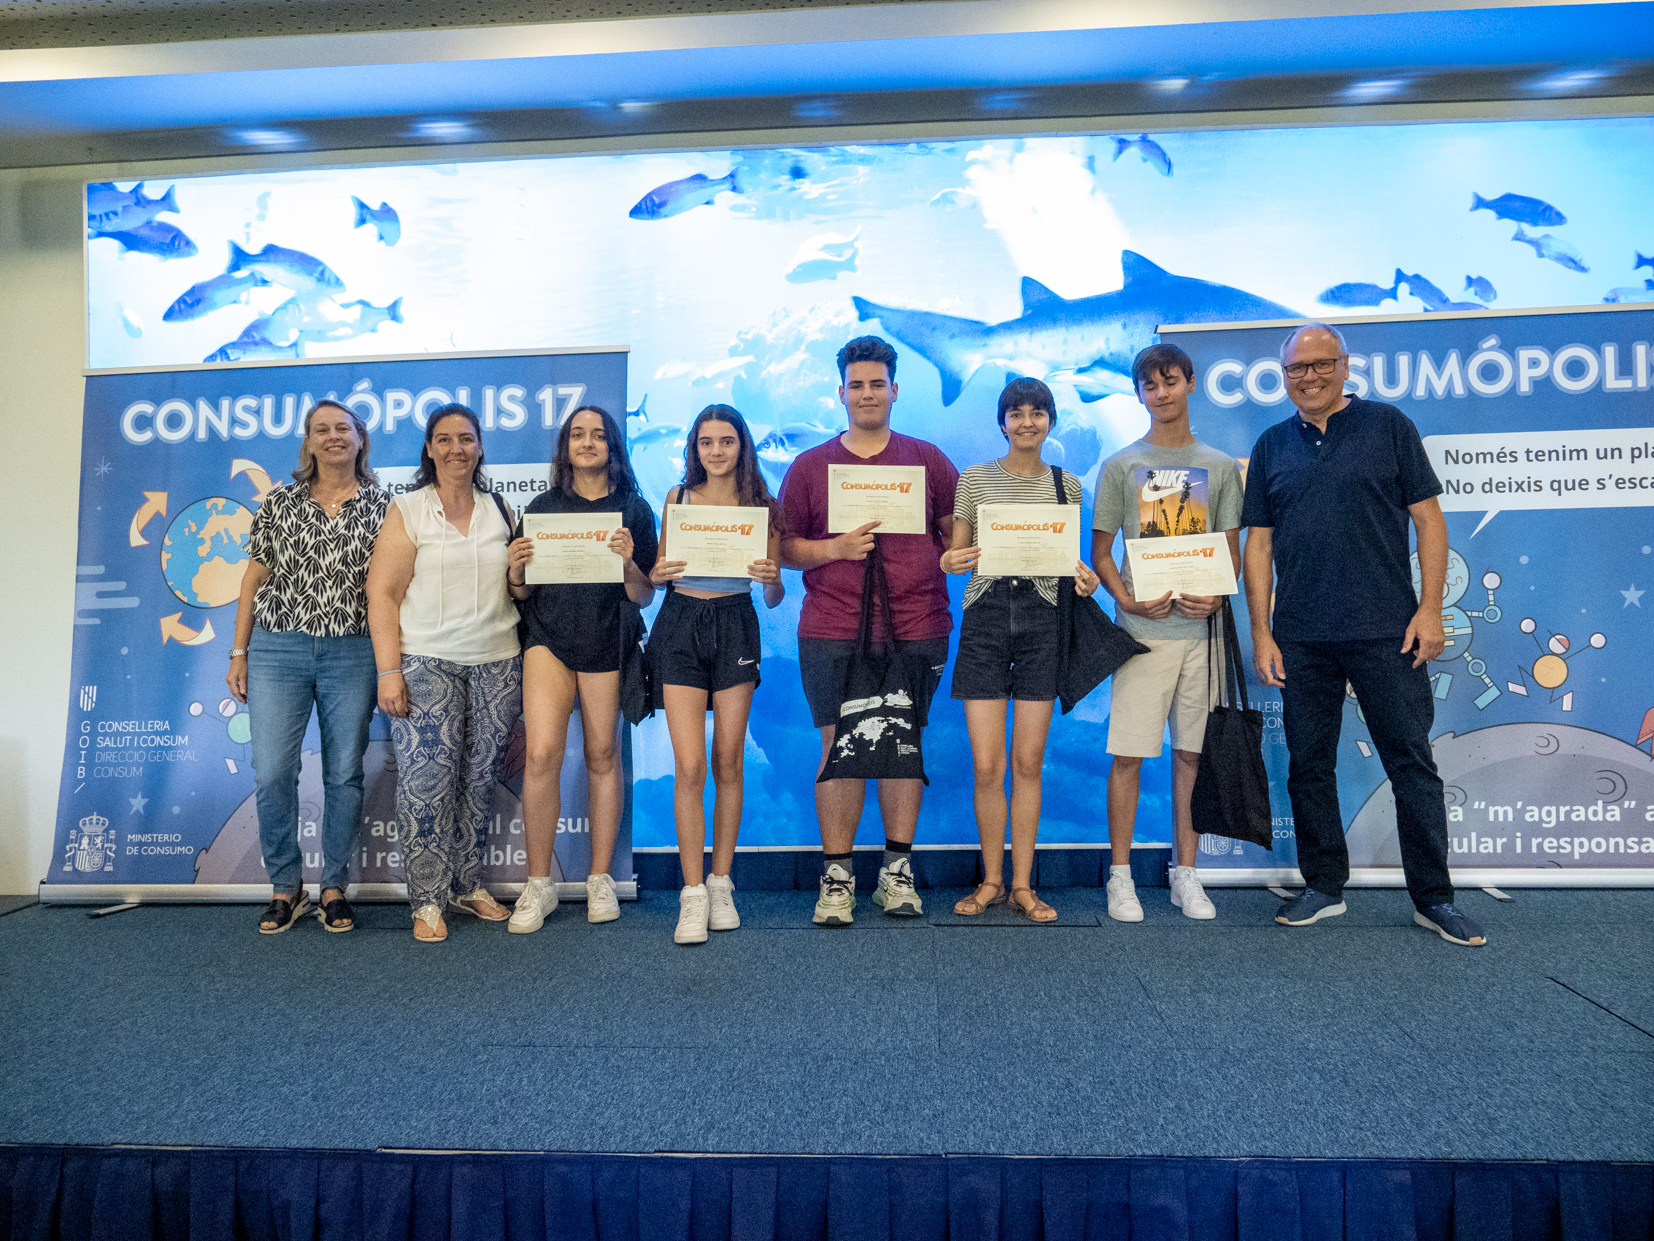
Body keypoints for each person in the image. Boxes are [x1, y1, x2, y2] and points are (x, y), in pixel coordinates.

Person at [1241, 324, 1486, 946]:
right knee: (1308, 766)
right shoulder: (1271, 444)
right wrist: (1262, 632)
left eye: (1321, 364)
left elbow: (1429, 520)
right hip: (1300, 638)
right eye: (1297, 369)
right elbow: (1258, 545)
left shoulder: (1389, 426)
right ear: (1284, 377)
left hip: (1388, 632)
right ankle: (1323, 886)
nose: (1309, 377)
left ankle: (1434, 898)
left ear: (1345, 366)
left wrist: (1430, 610)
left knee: (1412, 765)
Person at [779, 335, 959, 926]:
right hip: (831, 626)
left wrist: (962, 551)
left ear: (894, 390)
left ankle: (896, 874)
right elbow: (782, 547)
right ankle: (837, 878)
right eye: (856, 385)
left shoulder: (927, 459)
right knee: (839, 748)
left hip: (918, 623)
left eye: (877, 384)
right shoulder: (810, 467)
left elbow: (954, 530)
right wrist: (834, 549)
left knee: (904, 744)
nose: (867, 394)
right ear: (841, 393)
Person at [1091, 343, 1243, 924]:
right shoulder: (1121, 466)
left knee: (1191, 756)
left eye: (1170, 381)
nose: (1161, 393)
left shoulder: (1219, 466)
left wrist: (1219, 592)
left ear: (1190, 383)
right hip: (1141, 634)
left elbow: (1231, 549)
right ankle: (1120, 875)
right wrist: (1126, 598)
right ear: (1138, 394)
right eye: (1150, 386)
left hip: (1202, 637)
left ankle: (1186, 873)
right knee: (1128, 756)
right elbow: (1100, 553)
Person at [941, 378, 1100, 923]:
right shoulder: (974, 479)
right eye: (1016, 413)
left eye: (1037, 412)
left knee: (1029, 762)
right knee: (987, 765)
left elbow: (1066, 559)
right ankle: (991, 880)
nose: (1027, 422)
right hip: (985, 618)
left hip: (1042, 619)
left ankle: (1023, 886)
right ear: (1002, 422)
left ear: (1050, 421)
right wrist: (950, 561)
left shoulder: (1067, 484)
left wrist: (1085, 579)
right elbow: (955, 554)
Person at [228, 400, 389, 935]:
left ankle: (334, 887)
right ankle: (285, 886)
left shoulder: (385, 506)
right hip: (278, 650)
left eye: (343, 428)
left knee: (343, 772)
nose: (333, 436)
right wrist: (238, 652)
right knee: (273, 770)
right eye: (322, 429)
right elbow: (252, 581)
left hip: (354, 652)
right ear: (309, 441)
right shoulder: (280, 501)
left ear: (360, 439)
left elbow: (392, 588)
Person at [365, 405, 521, 942]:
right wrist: (389, 671)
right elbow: (382, 595)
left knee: (479, 781)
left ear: (480, 447)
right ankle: (427, 900)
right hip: (427, 660)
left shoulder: (500, 507)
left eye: (467, 439)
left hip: (498, 661)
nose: (457, 448)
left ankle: (467, 885)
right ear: (429, 449)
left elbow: (517, 587)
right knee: (426, 783)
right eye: (445, 439)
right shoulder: (408, 509)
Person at [505, 406, 657, 933]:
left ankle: (599, 878)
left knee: (602, 754)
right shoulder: (542, 507)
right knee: (541, 754)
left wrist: (628, 563)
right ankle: (538, 883)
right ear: (565, 447)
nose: (587, 443)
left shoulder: (634, 510)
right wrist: (516, 570)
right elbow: (522, 591)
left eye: (597, 435)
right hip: (547, 638)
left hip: (608, 639)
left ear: (612, 446)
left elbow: (643, 595)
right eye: (577, 435)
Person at [647, 405, 785, 944]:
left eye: (726, 441)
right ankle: (692, 894)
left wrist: (773, 579)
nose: (717, 451)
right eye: (706, 442)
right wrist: (657, 572)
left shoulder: (763, 507)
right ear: (694, 447)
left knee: (729, 759)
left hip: (736, 623)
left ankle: (721, 882)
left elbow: (772, 598)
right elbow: (658, 575)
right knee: (689, 766)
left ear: (742, 445)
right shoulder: (677, 499)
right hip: (681, 622)